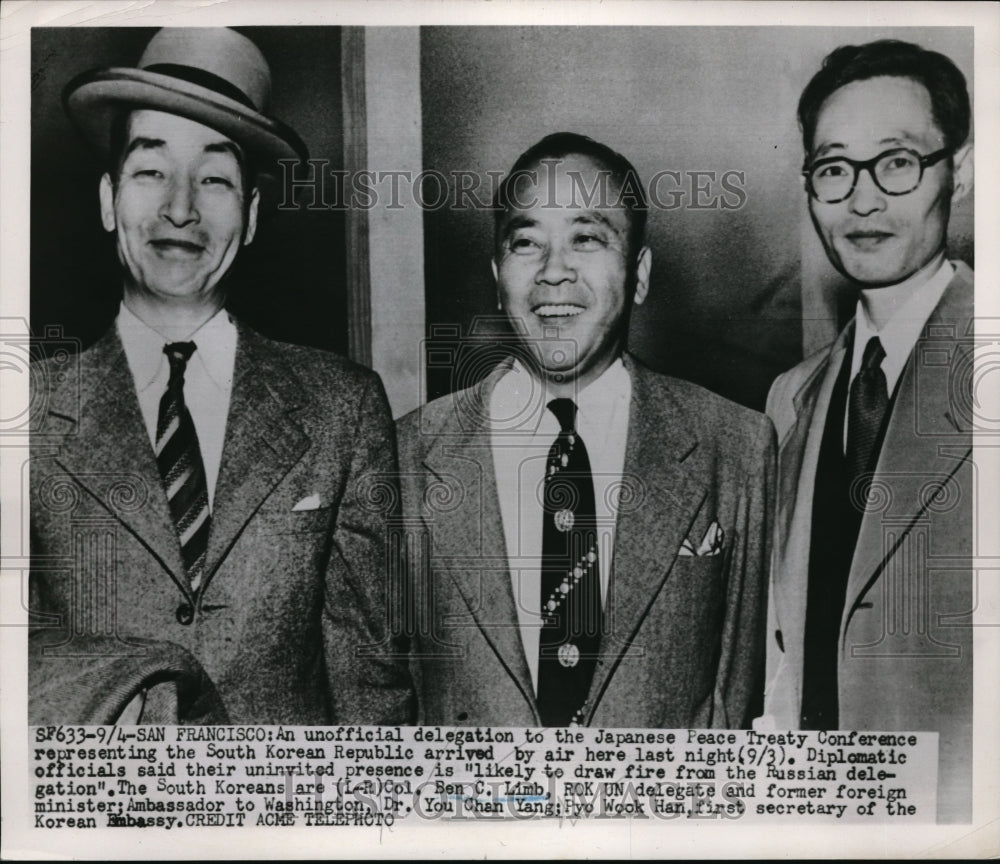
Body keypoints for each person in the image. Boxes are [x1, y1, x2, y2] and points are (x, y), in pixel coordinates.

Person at [29, 27, 413, 725]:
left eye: (214, 177)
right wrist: (119, 685)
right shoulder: (25, 409)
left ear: (252, 214)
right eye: (151, 171)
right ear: (110, 199)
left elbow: (372, 690)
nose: (181, 207)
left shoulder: (343, 409)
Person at [398, 132, 775, 728]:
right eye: (527, 243)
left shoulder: (737, 446)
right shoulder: (406, 454)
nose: (553, 272)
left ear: (639, 273)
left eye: (587, 238)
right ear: (498, 277)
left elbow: (741, 689)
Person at [761, 40, 974, 821]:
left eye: (896, 163)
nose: (862, 200)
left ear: (965, 169)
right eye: (833, 169)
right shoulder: (792, 397)